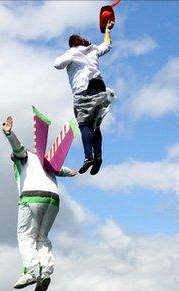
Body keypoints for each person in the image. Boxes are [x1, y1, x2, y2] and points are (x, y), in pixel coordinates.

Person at [2, 116, 77, 291]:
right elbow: (61, 170)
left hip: (31, 197)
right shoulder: (45, 160)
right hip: (53, 200)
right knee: (42, 237)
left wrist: (9, 134)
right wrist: (73, 172)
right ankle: (46, 271)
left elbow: (18, 149)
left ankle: (29, 272)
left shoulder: (25, 155)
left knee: (25, 236)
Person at [53, 20, 115, 175]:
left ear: (72, 44)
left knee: (84, 125)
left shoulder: (72, 52)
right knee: (95, 125)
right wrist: (107, 29)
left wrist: (69, 55)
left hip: (83, 89)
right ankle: (98, 156)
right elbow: (107, 45)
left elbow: (57, 64)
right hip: (99, 87)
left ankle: (89, 157)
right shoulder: (93, 49)